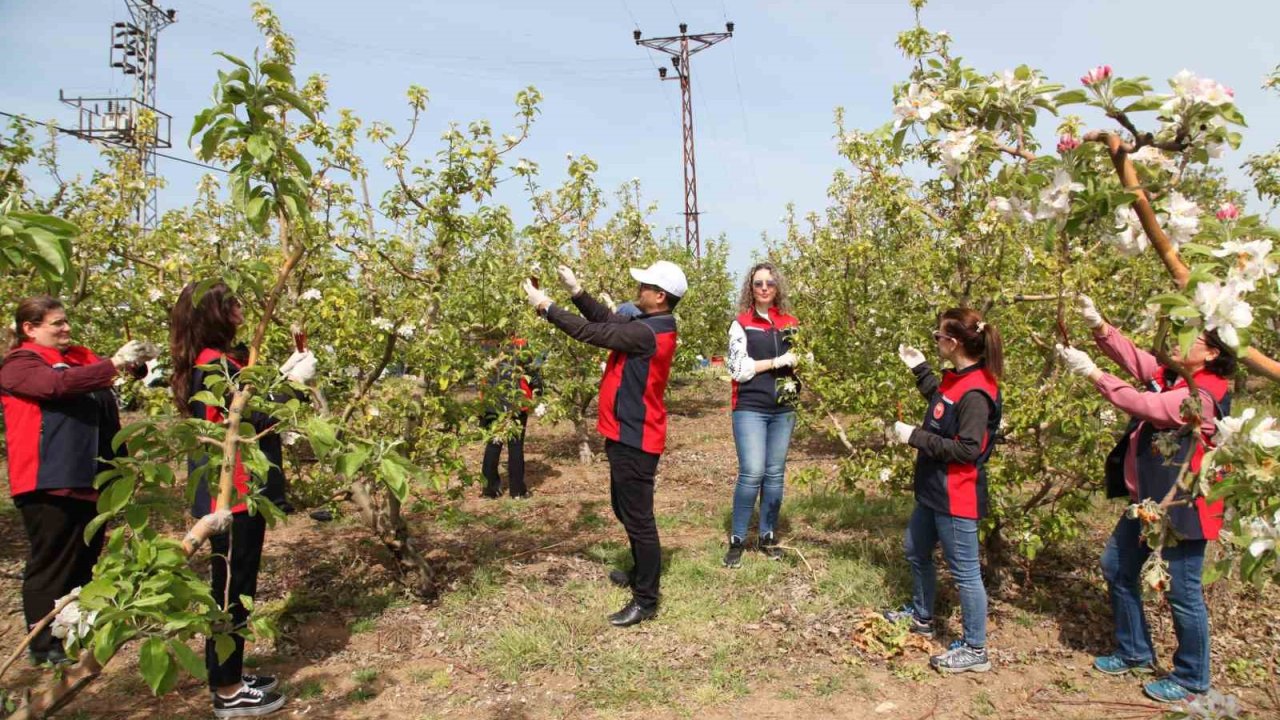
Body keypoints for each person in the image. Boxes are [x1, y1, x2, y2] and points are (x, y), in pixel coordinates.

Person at [1057, 295, 1234, 704]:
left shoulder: (1201, 396)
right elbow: (1140, 363)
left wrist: (1093, 374)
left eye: (1190, 337)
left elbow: (1146, 405)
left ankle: (1192, 678)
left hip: (1184, 509)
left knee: (1182, 591)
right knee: (1117, 566)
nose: (1176, 340)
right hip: (1150, 502)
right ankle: (1134, 650)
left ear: (1210, 353)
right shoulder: (1176, 375)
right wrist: (1100, 327)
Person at [170, 281, 315, 718]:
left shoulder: (221, 360)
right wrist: (290, 384)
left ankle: (228, 673)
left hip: (236, 491)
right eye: (230, 303)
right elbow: (250, 415)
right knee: (232, 591)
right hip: (231, 495)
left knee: (233, 586)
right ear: (212, 313)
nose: (239, 307)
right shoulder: (214, 364)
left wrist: (280, 378)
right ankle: (228, 691)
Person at [522, 260, 686, 627]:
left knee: (639, 519)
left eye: (644, 284)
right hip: (624, 433)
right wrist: (577, 291)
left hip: (636, 438)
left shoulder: (649, 334)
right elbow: (607, 321)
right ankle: (640, 570)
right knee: (623, 507)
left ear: (659, 297)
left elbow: (589, 332)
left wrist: (545, 306)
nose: (638, 287)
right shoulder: (648, 324)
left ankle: (646, 599)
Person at [1, 296, 158, 665]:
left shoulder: (76, 357)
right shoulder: (20, 364)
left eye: (66, 321)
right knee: (52, 561)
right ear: (30, 328)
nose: (66, 328)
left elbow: (103, 375)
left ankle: (71, 635)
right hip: (48, 478)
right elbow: (58, 386)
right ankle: (43, 646)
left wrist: (137, 362)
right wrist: (114, 363)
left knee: (82, 561)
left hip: (89, 477)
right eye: (57, 323)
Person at [884, 307, 1003, 674]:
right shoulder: (958, 378)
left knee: (965, 571)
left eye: (938, 337)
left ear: (952, 342)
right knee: (916, 550)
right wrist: (920, 370)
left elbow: (967, 449)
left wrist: (914, 437)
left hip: (956, 493)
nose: (935, 341)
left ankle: (975, 647)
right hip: (934, 490)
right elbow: (941, 405)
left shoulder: (978, 392)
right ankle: (921, 616)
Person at [723, 262, 801, 568]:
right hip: (750, 407)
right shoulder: (741, 323)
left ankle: (768, 536)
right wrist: (778, 361)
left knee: (775, 474)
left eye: (770, 282)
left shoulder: (791, 322)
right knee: (752, 472)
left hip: (783, 408)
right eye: (758, 283)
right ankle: (738, 539)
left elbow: (802, 360)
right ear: (750, 288)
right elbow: (739, 370)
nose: (765, 287)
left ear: (777, 286)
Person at [480, 336, 542, 499]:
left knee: (493, 443)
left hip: (492, 399)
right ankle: (517, 491)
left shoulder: (487, 341)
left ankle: (489, 490)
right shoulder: (520, 343)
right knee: (515, 445)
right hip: (516, 399)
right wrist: (539, 391)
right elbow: (532, 371)